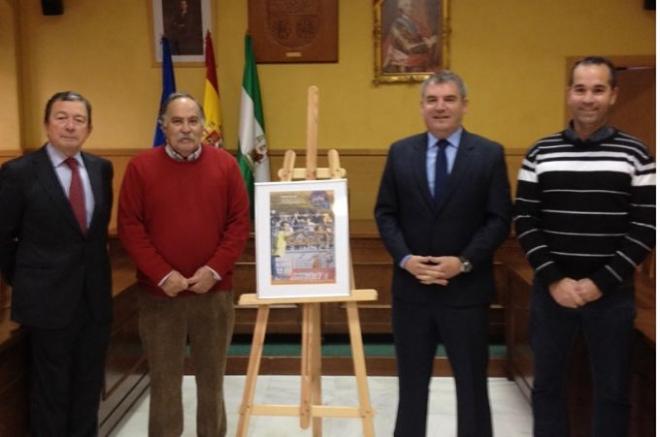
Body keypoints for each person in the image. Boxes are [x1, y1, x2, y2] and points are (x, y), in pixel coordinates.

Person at [514, 56, 655, 437]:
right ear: (568, 94)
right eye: (580, 89)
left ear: (613, 95)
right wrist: (556, 280)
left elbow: (646, 226)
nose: (588, 98)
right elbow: (525, 220)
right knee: (547, 389)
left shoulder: (636, 155)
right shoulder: (540, 153)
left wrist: (599, 284)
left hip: (611, 297)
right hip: (551, 294)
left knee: (612, 392)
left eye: (597, 89)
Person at [374, 70, 512, 437]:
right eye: (432, 100)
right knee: (412, 387)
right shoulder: (401, 152)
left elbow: (499, 219)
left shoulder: (488, 154)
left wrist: (463, 262)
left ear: (464, 105)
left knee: (472, 387)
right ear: (421, 107)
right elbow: (385, 213)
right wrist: (405, 258)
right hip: (412, 292)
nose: (440, 107)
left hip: (465, 293)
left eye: (449, 99)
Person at [118, 92, 249, 436]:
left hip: (214, 294)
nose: (186, 128)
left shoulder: (226, 166)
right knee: (164, 385)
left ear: (204, 126)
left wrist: (213, 270)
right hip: (160, 298)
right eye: (177, 121)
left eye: (193, 121)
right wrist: (162, 275)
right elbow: (130, 228)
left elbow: (238, 224)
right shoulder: (140, 168)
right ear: (163, 126)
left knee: (212, 382)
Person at [0, 91, 114, 436]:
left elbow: (94, 237)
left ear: (89, 129)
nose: (70, 126)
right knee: (51, 395)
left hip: (93, 302)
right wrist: (29, 283)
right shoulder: (18, 173)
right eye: (62, 117)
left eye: (79, 120)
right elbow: (3, 239)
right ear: (47, 124)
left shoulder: (99, 169)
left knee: (87, 391)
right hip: (46, 304)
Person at [383, 0, 438, 73]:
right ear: (401, 9)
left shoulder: (414, 23)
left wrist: (426, 40)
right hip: (403, 64)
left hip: (416, 62)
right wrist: (429, 43)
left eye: (411, 5)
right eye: (407, 5)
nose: (410, 8)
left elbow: (419, 40)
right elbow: (409, 47)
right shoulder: (398, 25)